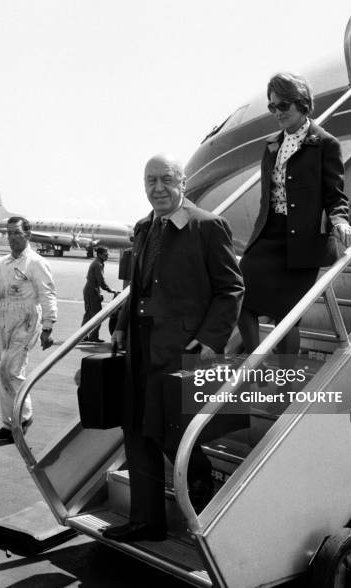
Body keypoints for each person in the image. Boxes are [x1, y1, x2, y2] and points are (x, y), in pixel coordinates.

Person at [101, 153, 244, 542]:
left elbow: (231, 288)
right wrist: (122, 325)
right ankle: (146, 522)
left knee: (169, 428)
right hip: (141, 344)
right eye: (151, 181)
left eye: (166, 180)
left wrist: (211, 340)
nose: (158, 188)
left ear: (183, 182)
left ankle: (196, 474)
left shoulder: (208, 225)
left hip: (181, 347)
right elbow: (137, 286)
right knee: (136, 429)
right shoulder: (144, 226)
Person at [238, 73, 351, 362]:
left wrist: (340, 220)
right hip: (267, 235)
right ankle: (255, 366)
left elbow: (335, 194)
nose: (277, 113)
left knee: (288, 316)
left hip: (302, 241)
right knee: (239, 298)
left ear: (302, 104)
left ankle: (286, 384)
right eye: (272, 107)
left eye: (283, 106)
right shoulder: (271, 145)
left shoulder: (326, 143)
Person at [0, 216, 57, 443]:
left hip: (27, 318)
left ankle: (24, 416)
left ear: (27, 234)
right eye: (8, 233)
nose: (11, 237)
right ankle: (9, 423)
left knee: (10, 369)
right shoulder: (3, 264)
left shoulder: (36, 263)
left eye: (16, 233)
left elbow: (47, 294)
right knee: (0, 373)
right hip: (4, 318)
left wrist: (48, 326)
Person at [80, 246, 115, 343]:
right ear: (99, 255)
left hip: (92, 290)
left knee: (89, 314)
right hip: (92, 290)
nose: (107, 256)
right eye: (105, 254)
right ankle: (92, 336)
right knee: (97, 314)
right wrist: (110, 290)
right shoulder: (98, 264)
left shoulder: (98, 263)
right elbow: (101, 281)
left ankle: (83, 336)